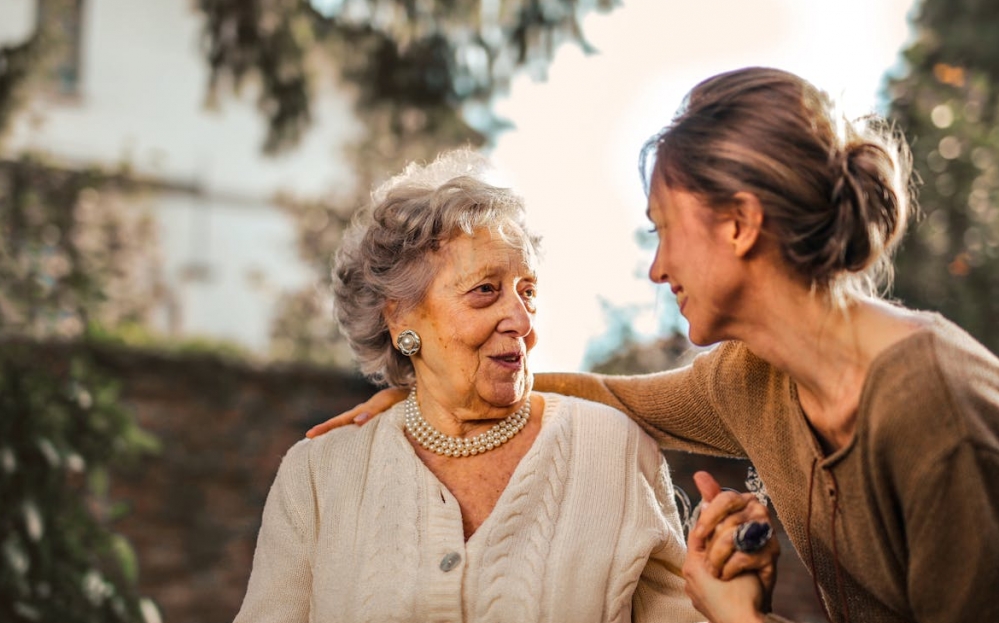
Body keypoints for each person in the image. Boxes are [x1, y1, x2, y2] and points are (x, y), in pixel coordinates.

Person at [306, 67, 999, 623]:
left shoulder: (930, 410)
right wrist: (428, 382)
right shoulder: (750, 378)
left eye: (663, 229)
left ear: (738, 224)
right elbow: (609, 395)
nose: (657, 267)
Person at [234, 149, 733, 622]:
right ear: (401, 316)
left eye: (528, 291)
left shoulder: (616, 450)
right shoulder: (318, 475)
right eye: (485, 291)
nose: (520, 319)